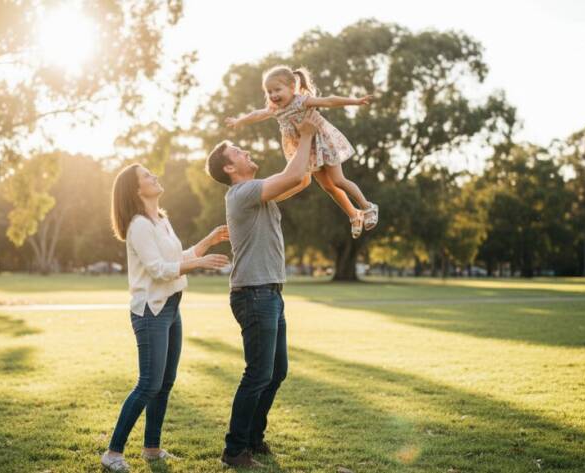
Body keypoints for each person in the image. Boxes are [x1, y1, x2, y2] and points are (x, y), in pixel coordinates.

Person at [206, 110, 321, 468]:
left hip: (269, 292)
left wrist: (313, 143)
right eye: (239, 151)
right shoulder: (242, 193)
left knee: (276, 371)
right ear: (229, 168)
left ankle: (253, 439)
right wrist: (303, 136)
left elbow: (299, 179)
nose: (246, 152)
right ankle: (235, 450)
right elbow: (293, 174)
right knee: (257, 373)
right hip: (253, 294)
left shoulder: (258, 193)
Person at [101, 163, 230, 472]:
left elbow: (177, 258)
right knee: (148, 383)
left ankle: (152, 449)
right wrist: (199, 263)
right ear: (136, 189)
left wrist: (208, 242)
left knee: (165, 382)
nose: (154, 176)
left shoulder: (160, 220)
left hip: (171, 307)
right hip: (150, 311)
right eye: (147, 175)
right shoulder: (138, 225)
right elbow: (159, 269)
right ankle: (113, 454)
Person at [225, 65, 378, 239]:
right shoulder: (275, 108)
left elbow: (329, 101)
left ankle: (367, 207)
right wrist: (240, 121)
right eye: (269, 92)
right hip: (306, 151)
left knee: (338, 181)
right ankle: (354, 215)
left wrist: (355, 101)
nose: (273, 95)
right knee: (328, 187)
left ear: (292, 87)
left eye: (277, 90)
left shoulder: (302, 101)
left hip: (321, 143)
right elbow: (257, 114)